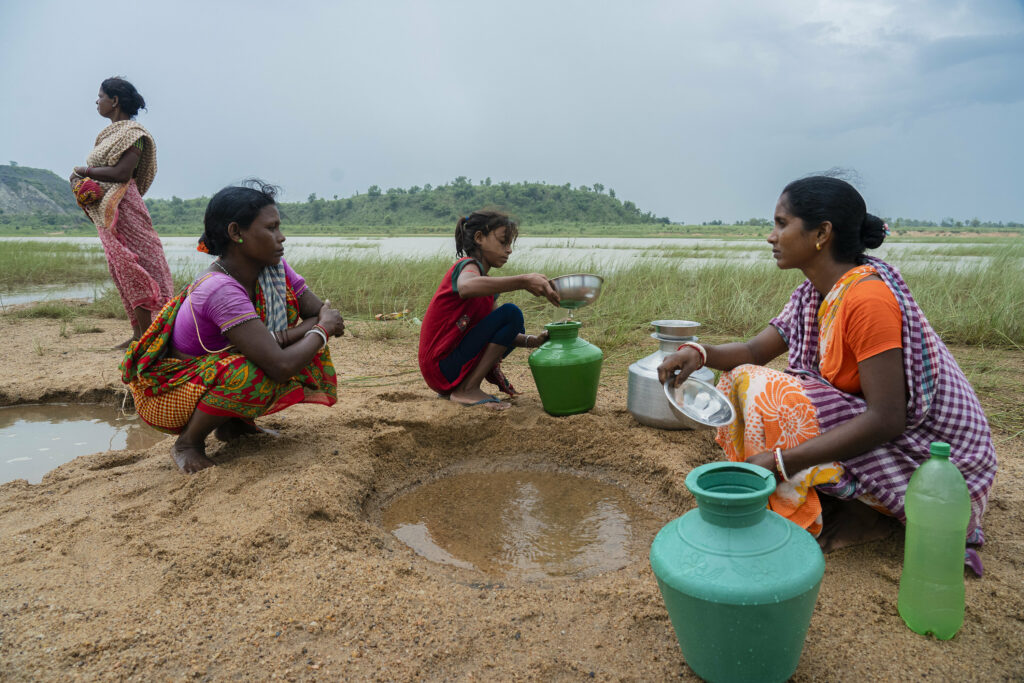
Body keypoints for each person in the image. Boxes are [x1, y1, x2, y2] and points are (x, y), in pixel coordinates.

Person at [658, 176, 997, 564]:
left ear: (822, 233)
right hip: (876, 430)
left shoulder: (868, 298)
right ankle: (820, 499)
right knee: (742, 379)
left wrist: (782, 460)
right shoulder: (813, 293)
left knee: (767, 392)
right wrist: (698, 353)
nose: (771, 236)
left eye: (782, 224)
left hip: (932, 460)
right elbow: (753, 349)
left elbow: (888, 418)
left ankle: (870, 513)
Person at [120, 182, 343, 474]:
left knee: (291, 351)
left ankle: (235, 426)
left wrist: (311, 328)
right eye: (271, 228)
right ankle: (188, 443)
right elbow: (281, 363)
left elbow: (316, 311)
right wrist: (320, 330)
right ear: (236, 233)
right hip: (168, 392)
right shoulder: (220, 289)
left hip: (208, 377)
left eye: (279, 227)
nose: (281, 237)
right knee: (253, 371)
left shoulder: (273, 268)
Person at [418, 210, 560, 410]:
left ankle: (465, 387)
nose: (509, 250)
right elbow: (466, 287)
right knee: (511, 313)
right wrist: (523, 280)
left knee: (511, 321)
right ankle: (468, 389)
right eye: (503, 242)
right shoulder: (467, 266)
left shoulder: (486, 289)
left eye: (510, 244)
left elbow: (498, 335)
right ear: (479, 238)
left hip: (448, 371)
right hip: (441, 367)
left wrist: (532, 341)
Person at [70, 77, 174, 348]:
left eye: (101, 96)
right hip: (108, 211)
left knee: (136, 265)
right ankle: (138, 333)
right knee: (121, 269)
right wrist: (79, 183)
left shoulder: (134, 135)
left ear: (114, 101)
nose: (97, 101)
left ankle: (151, 335)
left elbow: (122, 173)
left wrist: (84, 171)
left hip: (125, 209)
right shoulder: (108, 135)